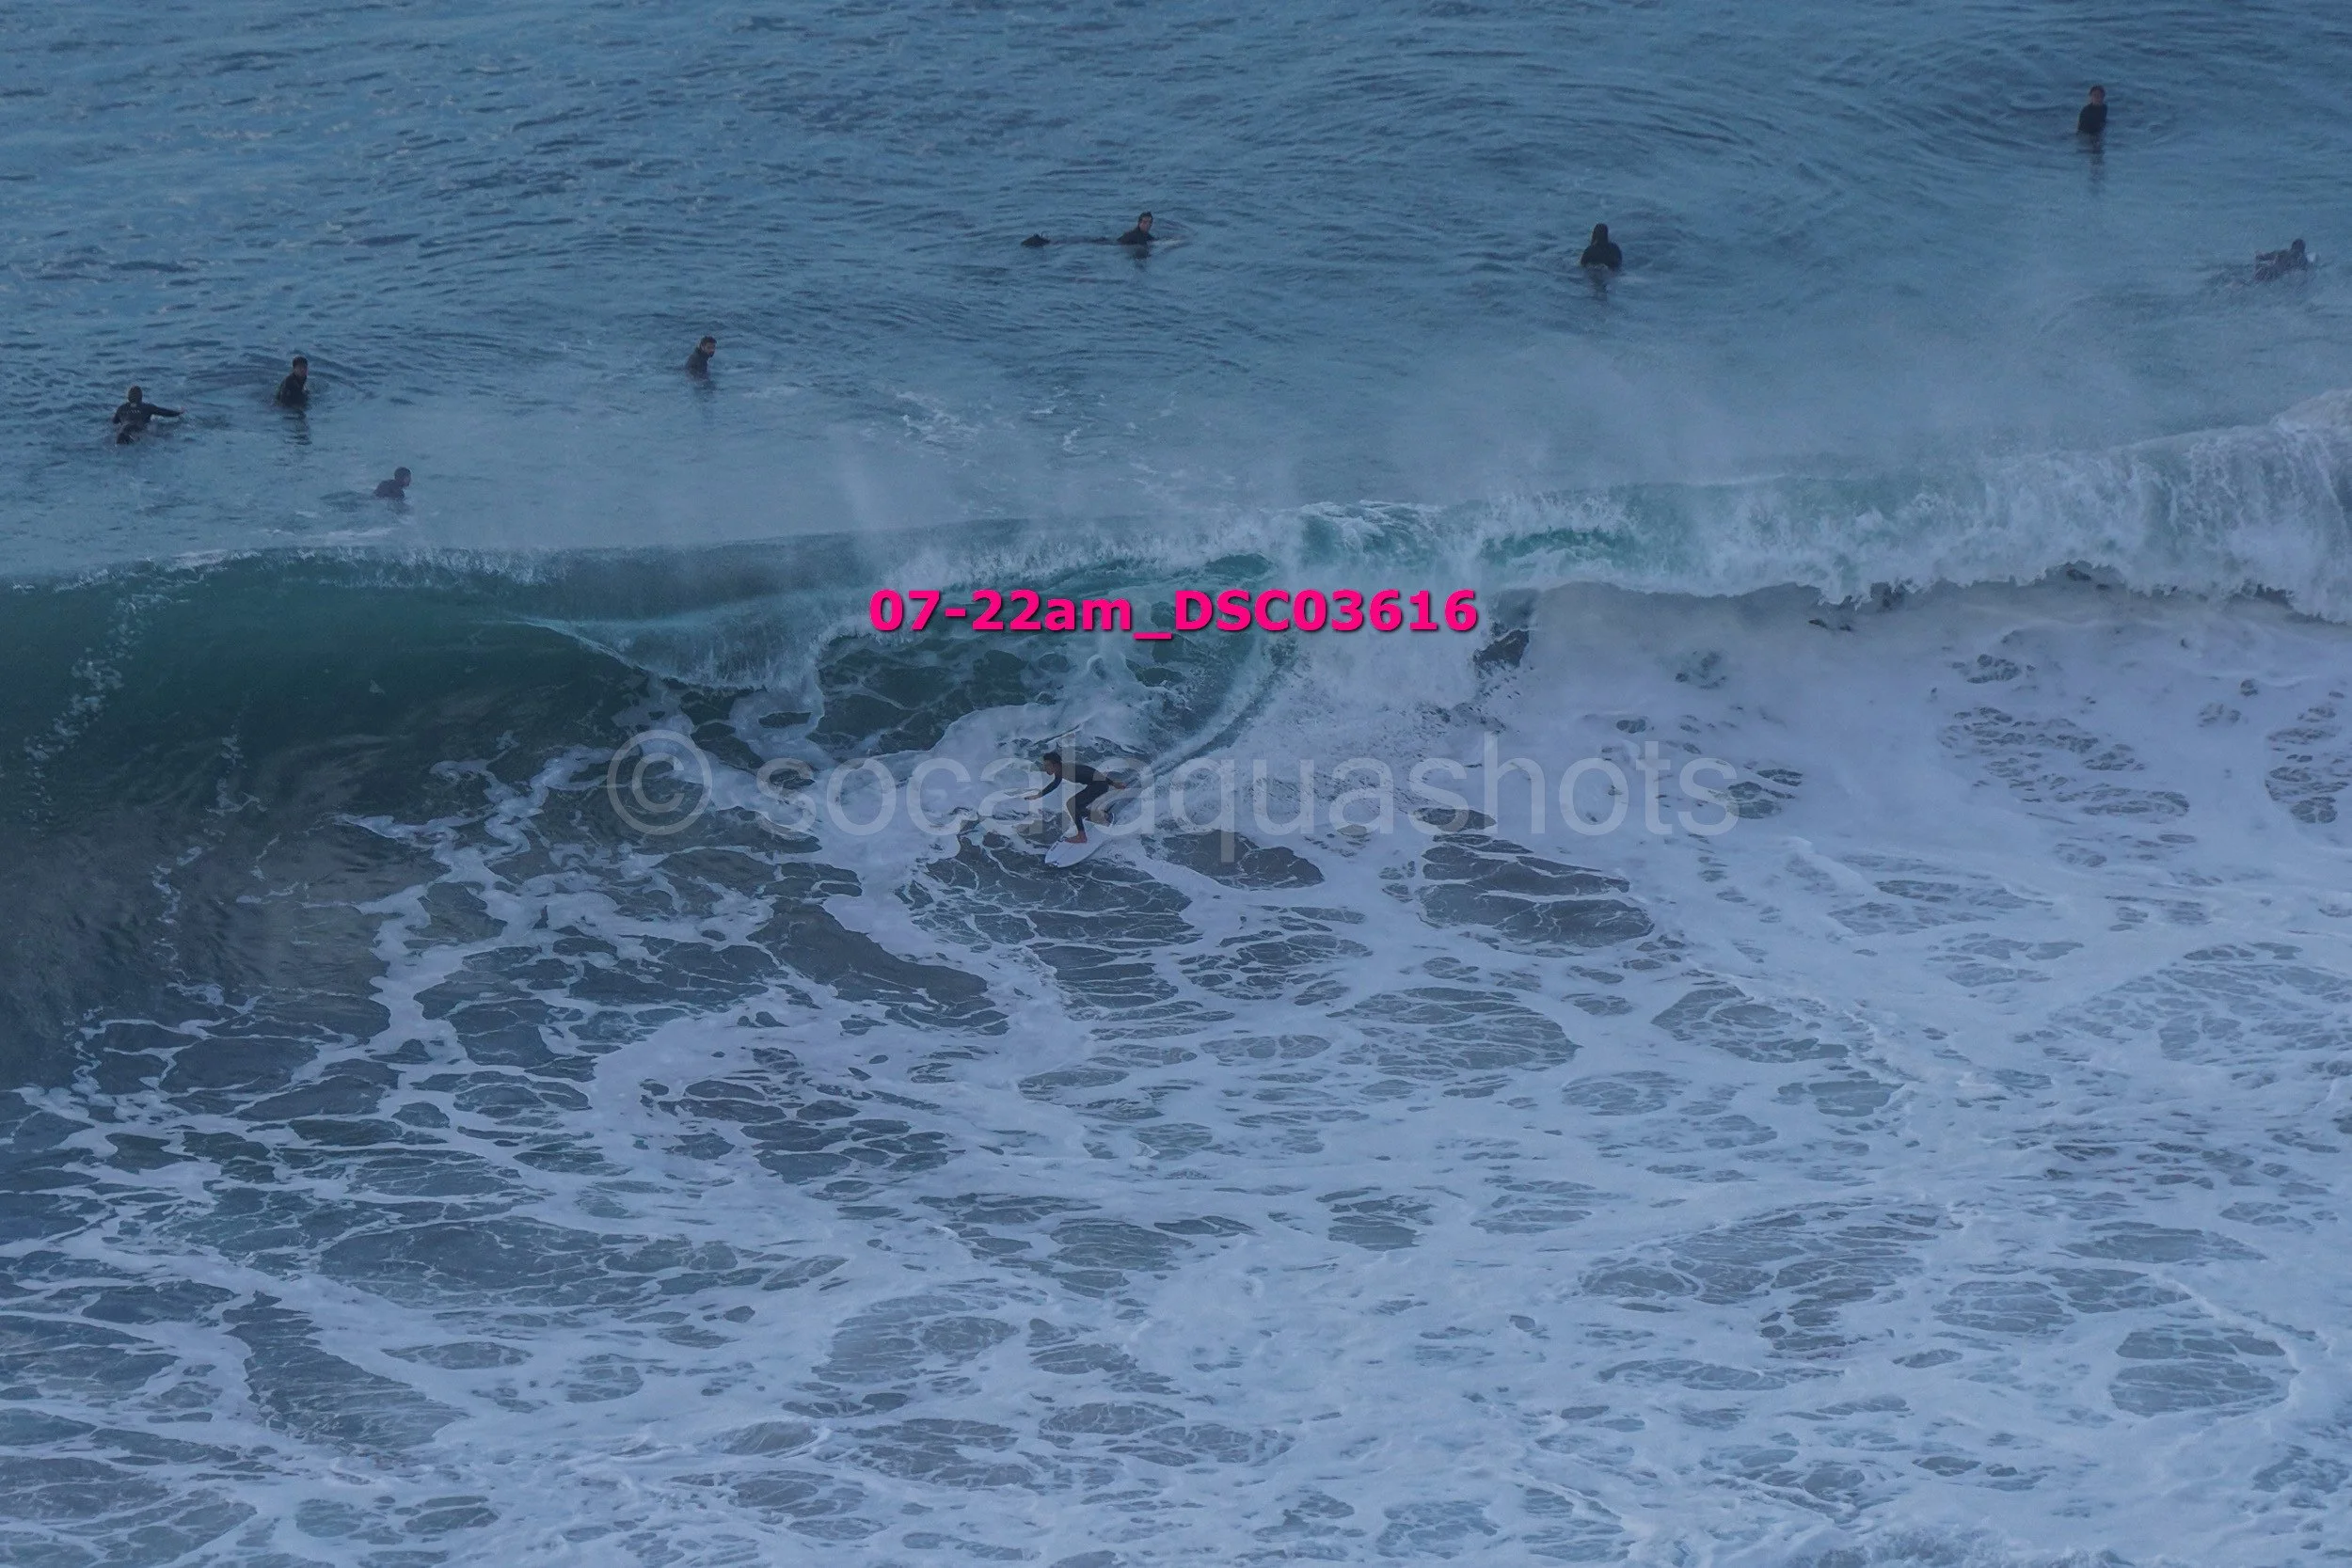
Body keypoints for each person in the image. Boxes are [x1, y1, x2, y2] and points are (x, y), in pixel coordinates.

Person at [1028, 752, 1123, 843]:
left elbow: (1092, 772)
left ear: (1055, 765)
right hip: (1094, 785)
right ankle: (1101, 816)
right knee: (1077, 807)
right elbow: (1054, 784)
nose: (1044, 768)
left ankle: (1082, 837)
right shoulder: (1060, 770)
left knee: (1072, 804)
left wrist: (1113, 783)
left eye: (1047, 766)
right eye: (1044, 765)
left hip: (1099, 786)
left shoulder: (1070, 770)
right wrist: (1038, 795)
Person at [111, 387, 182, 444]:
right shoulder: (147, 407)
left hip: (123, 430)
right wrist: (179, 412)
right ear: (141, 397)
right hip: (138, 430)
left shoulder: (121, 408)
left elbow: (114, 422)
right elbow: (165, 412)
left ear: (128, 397)